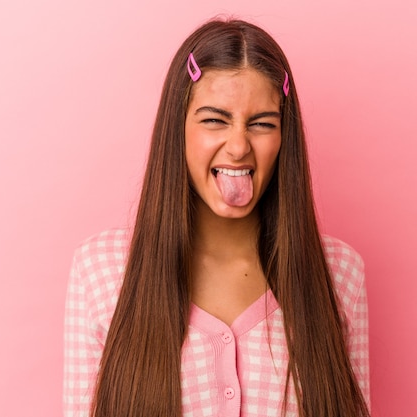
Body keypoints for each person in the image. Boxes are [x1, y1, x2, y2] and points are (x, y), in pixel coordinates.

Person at [64, 18, 370, 417]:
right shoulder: (100, 271)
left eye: (262, 124)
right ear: (180, 127)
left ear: (284, 137)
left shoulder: (339, 273)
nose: (239, 146)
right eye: (214, 120)